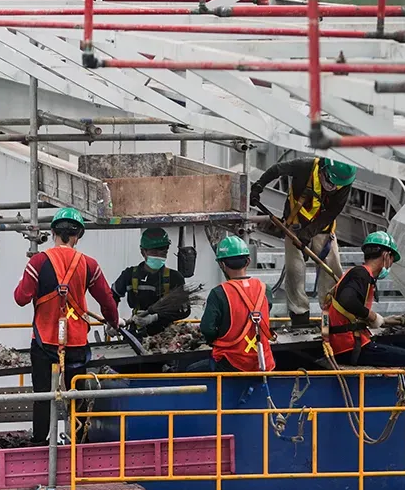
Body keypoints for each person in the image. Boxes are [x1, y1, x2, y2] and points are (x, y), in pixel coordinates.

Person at [14, 206, 120, 444]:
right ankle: (79, 445)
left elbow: (21, 298)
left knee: (43, 396)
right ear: (78, 235)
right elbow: (107, 301)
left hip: (44, 342)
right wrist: (113, 322)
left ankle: (40, 443)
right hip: (75, 343)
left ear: (53, 232)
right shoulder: (89, 265)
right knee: (76, 395)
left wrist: (25, 281)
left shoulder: (38, 262)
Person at [250, 156, 357, 326]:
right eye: (330, 182)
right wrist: (259, 186)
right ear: (323, 169)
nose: (332, 188)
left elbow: (332, 212)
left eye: (336, 185)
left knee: (332, 270)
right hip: (294, 225)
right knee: (295, 271)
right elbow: (277, 169)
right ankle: (300, 316)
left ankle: (331, 316)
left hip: (323, 229)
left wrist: (308, 233)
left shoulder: (343, 183)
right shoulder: (304, 166)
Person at [323, 231, 405, 368]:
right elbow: (347, 300)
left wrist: (383, 320)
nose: (391, 264)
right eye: (391, 259)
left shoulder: (357, 274)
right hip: (351, 347)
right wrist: (372, 317)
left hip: (346, 345)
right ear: (385, 256)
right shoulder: (361, 274)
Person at [191, 236, 275, 373]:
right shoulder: (265, 289)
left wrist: (215, 339)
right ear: (248, 261)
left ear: (222, 265)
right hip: (263, 363)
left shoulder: (219, 293)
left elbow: (207, 328)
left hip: (231, 363)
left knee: (190, 370)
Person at [110, 227, 190, 336]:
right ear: (143, 252)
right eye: (154, 251)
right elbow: (111, 296)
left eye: (163, 251)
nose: (159, 255)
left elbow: (184, 310)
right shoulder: (129, 275)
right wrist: (113, 320)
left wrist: (155, 317)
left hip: (166, 336)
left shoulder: (175, 278)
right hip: (136, 334)